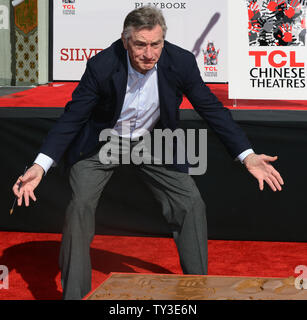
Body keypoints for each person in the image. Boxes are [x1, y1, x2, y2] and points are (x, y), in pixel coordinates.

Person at [12, 6, 284, 300]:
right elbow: (72, 118)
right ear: (126, 40)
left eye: (156, 44)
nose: (149, 53)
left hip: (153, 140)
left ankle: (199, 291)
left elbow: (211, 109)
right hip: (103, 142)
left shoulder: (180, 62)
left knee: (191, 203)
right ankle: (74, 296)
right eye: (140, 44)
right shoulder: (102, 66)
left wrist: (247, 155)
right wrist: (40, 166)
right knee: (80, 207)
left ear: (163, 41)